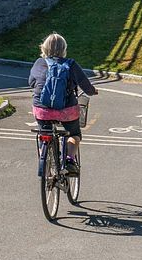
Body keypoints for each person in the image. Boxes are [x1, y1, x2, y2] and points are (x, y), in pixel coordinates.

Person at [29, 32, 97, 173]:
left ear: (44, 48)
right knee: (74, 134)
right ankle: (69, 159)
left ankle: (46, 154)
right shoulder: (71, 65)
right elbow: (86, 85)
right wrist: (92, 91)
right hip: (66, 111)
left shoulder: (39, 63)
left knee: (44, 131)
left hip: (42, 110)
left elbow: (31, 83)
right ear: (64, 49)